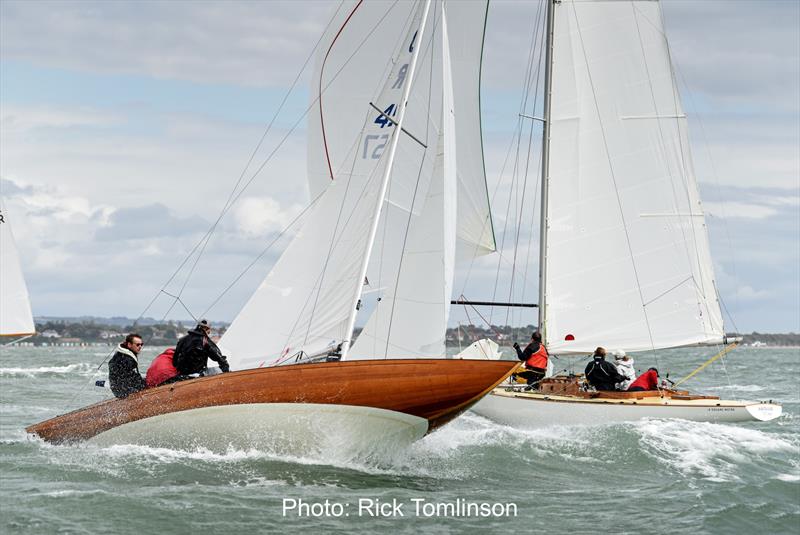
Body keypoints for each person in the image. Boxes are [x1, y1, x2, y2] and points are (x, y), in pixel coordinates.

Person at [108, 333, 147, 398]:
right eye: (137, 344)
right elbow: (132, 378)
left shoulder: (122, 354)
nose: (140, 346)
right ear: (129, 345)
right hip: (124, 391)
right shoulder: (127, 359)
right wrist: (145, 383)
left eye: (141, 344)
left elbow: (131, 376)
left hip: (118, 388)